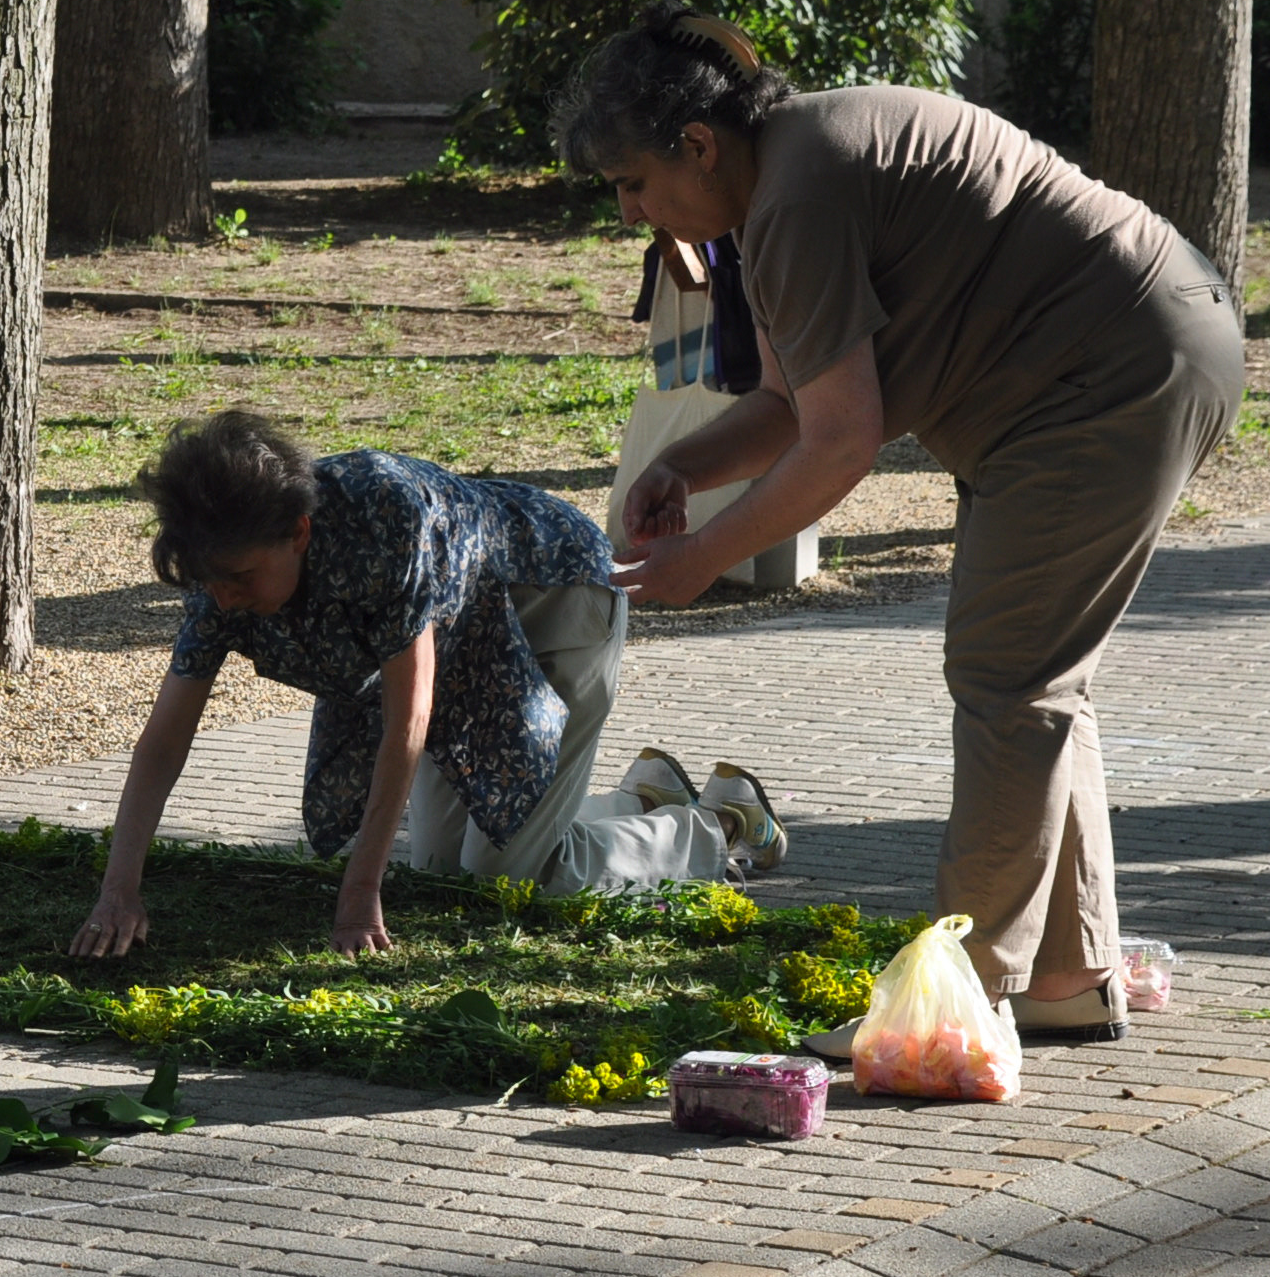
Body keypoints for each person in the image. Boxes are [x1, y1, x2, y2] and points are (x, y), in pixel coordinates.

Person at [561, 5, 1242, 1047]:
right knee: (1035, 681)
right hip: (1122, 355)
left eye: (633, 183)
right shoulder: (784, 179)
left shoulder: (798, 196)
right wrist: (683, 466)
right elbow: (791, 404)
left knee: (1006, 678)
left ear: (697, 144)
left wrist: (703, 558)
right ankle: (1065, 977)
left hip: (1111, 371)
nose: (629, 212)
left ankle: (952, 1005)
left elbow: (841, 445)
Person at [71, 412, 787, 961]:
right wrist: (117, 891)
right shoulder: (218, 574)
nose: (224, 598)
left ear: (299, 533)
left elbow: (406, 722)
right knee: (444, 872)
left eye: (239, 579)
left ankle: (713, 826)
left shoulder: (386, 517)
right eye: (211, 582)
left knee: (507, 880)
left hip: (556, 601)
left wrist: (359, 894)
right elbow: (163, 743)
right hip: (465, 645)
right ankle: (643, 798)